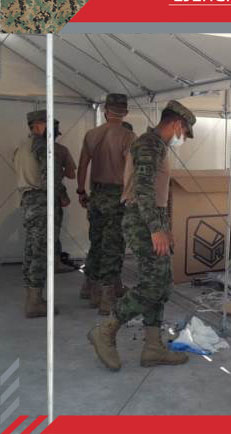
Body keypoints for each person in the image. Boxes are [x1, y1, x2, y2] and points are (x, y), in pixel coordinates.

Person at [88, 100, 196, 371]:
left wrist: (164, 226)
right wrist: (155, 228)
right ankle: (106, 330)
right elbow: (144, 190)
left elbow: (157, 193)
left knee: (162, 283)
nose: (182, 137)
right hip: (141, 220)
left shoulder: (156, 145)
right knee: (153, 285)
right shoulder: (149, 145)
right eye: (184, 131)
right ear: (176, 124)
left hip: (149, 218)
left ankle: (153, 347)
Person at [77, 94, 136, 315]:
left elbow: (83, 166)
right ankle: (106, 298)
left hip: (96, 194)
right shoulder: (129, 136)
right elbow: (130, 171)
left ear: (105, 111)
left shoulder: (92, 135)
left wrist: (81, 191)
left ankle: (90, 288)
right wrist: (129, 197)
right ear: (125, 113)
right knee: (113, 246)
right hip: (117, 196)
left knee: (97, 241)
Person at [13, 110, 55, 317]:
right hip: (40, 200)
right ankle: (35, 302)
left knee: (31, 248)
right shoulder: (41, 145)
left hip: (27, 200)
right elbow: (49, 175)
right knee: (40, 251)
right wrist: (54, 195)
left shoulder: (21, 147)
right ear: (39, 124)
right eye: (47, 123)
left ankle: (32, 296)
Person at [53, 119, 77, 273]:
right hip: (53, 195)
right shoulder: (61, 150)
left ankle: (33, 265)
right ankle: (55, 263)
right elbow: (71, 174)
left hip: (29, 197)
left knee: (34, 233)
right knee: (53, 231)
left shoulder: (23, 149)